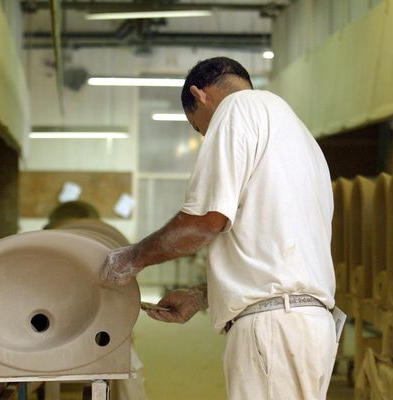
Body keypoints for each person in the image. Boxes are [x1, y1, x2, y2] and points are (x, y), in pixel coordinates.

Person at [101, 56, 337, 399]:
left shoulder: (235, 110)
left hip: (274, 329)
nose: (205, 136)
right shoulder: (296, 135)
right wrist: (203, 295)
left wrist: (130, 259)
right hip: (307, 326)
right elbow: (275, 255)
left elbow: (204, 221)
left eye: (199, 128)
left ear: (200, 95)